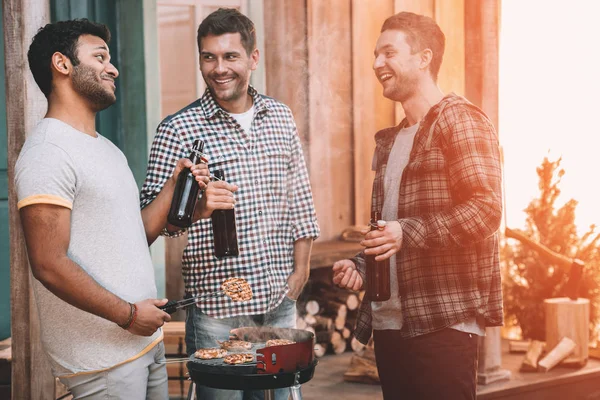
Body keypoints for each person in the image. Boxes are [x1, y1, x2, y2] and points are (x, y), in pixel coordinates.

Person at [16, 19, 209, 399]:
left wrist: (173, 187)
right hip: (101, 360)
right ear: (62, 64)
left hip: (142, 345)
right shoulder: (48, 153)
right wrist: (129, 315)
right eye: (100, 56)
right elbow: (48, 263)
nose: (113, 68)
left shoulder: (106, 148)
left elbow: (132, 238)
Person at [140, 7, 320, 400]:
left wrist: (301, 271)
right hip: (216, 312)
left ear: (253, 58)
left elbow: (300, 198)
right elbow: (150, 227)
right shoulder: (178, 130)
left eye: (230, 56)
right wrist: (196, 211)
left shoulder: (280, 117)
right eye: (209, 57)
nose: (219, 68)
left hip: (277, 303)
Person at [332, 11, 503, 400]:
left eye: (388, 53)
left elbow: (486, 209)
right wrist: (361, 265)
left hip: (443, 322)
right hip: (391, 322)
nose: (377, 64)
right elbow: (392, 227)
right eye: (376, 55)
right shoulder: (392, 139)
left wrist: (404, 232)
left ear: (424, 58)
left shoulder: (460, 120)